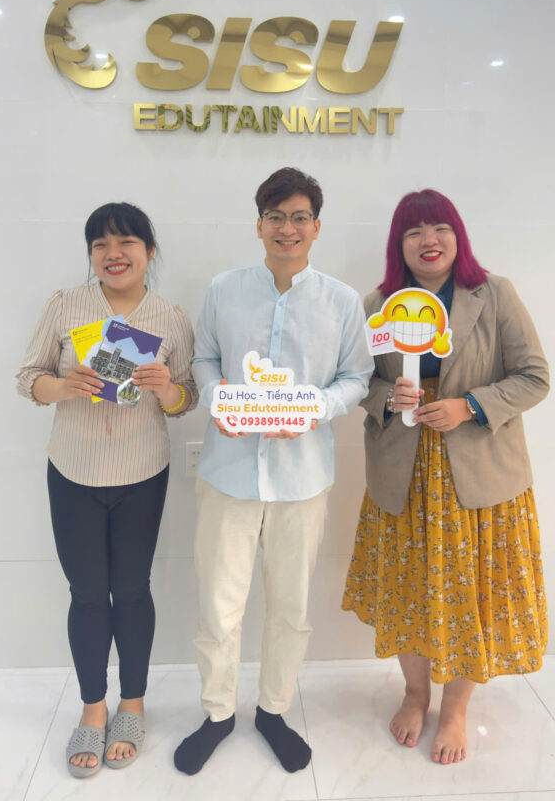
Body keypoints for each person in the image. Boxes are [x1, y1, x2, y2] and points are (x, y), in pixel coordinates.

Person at [174, 167, 373, 775]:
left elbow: (357, 377)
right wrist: (220, 402)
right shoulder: (224, 289)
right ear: (259, 224)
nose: (288, 228)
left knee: (290, 606)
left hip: (301, 479)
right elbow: (204, 359)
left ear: (317, 226)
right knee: (219, 606)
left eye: (299, 217)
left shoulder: (341, 301)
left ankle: (274, 711)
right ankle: (216, 714)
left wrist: (314, 409)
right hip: (229, 473)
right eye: (276, 216)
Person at [342, 188, 549, 765]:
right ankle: (415, 695)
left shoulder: (495, 294)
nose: (428, 240)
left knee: (472, 593)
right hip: (403, 473)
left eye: (439, 228)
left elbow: (535, 376)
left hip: (480, 474)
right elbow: (356, 381)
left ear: (457, 236)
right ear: (399, 245)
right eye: (413, 231)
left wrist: (470, 406)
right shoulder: (378, 304)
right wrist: (389, 397)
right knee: (409, 589)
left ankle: (455, 708)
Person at [16, 202, 197, 777]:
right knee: (88, 593)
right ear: (91, 254)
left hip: (142, 472)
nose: (113, 254)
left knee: (133, 589)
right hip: (74, 471)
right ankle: (93, 708)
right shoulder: (65, 305)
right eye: (100, 245)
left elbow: (186, 399)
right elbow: (27, 378)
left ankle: (133, 704)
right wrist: (62, 385)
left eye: (126, 243)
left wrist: (167, 388)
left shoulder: (170, 317)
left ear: (149, 251)